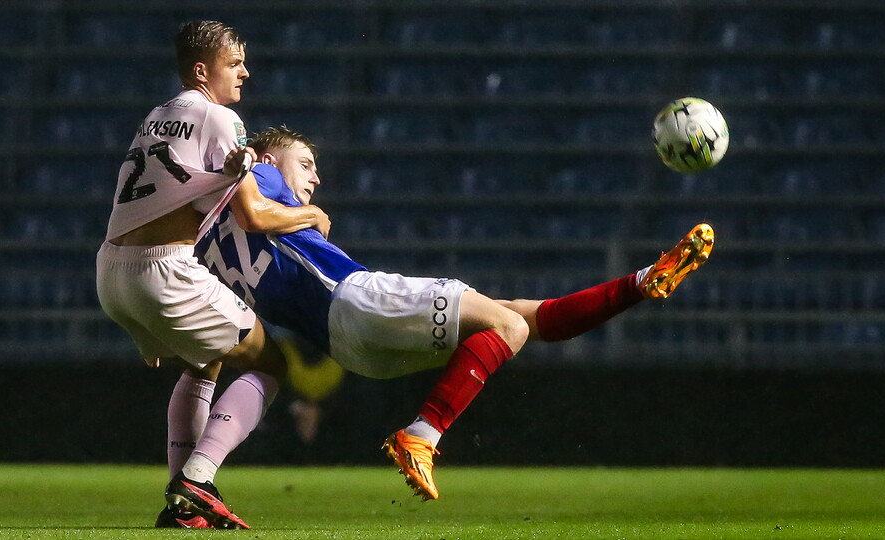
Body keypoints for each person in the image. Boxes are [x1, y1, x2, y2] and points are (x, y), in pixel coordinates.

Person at [197, 126, 715, 501]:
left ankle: (641, 282)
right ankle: (421, 435)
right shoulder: (263, 173)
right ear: (269, 158)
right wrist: (308, 211)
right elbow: (254, 202)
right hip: (354, 299)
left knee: (516, 318)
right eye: (307, 164)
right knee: (509, 326)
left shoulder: (209, 245)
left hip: (347, 348)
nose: (315, 178)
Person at [95, 22, 329, 529]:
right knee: (270, 362)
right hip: (163, 268)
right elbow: (254, 216)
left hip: (111, 270)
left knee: (206, 361)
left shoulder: (156, 116)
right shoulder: (222, 118)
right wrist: (311, 214)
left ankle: (183, 509)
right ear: (202, 70)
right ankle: (197, 478)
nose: (245, 72)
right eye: (234, 63)